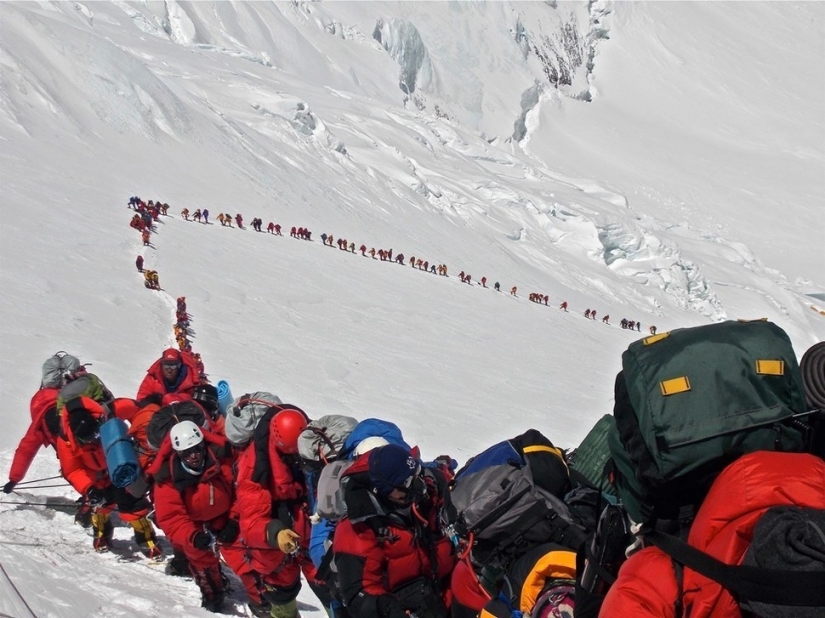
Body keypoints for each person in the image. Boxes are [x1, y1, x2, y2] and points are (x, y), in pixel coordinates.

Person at [332, 444, 455, 618]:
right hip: (405, 605)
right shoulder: (358, 528)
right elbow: (358, 591)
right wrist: (387, 609)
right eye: (405, 484)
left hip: (444, 593)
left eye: (416, 475)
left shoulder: (427, 488)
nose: (416, 485)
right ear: (383, 491)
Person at [152, 421, 249, 612]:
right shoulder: (167, 478)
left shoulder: (223, 462)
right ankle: (213, 594)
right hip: (193, 526)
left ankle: (261, 596)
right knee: (202, 560)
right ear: (178, 454)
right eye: (187, 453)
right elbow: (171, 517)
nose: (194, 456)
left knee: (244, 557)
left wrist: (234, 520)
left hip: (225, 518)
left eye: (197, 449)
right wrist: (193, 537)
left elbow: (241, 491)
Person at [236, 407, 323, 618]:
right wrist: (275, 533)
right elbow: (252, 521)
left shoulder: (315, 448)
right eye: (291, 454)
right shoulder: (255, 467)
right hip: (278, 547)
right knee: (282, 595)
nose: (295, 458)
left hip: (313, 534)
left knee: (329, 588)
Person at [57, 396, 161, 556]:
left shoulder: (109, 411)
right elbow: (72, 471)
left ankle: (146, 539)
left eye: (96, 435)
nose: (94, 441)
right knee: (100, 505)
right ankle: (101, 534)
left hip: (120, 462)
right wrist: (88, 488)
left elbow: (136, 409)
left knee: (132, 503)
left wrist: (140, 435)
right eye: (89, 439)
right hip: (95, 475)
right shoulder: (65, 440)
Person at [136, 348, 202, 406]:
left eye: (173, 366)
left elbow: (195, 403)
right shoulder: (152, 378)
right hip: (157, 415)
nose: (169, 370)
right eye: (166, 366)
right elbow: (141, 399)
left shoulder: (190, 380)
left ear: (179, 366)